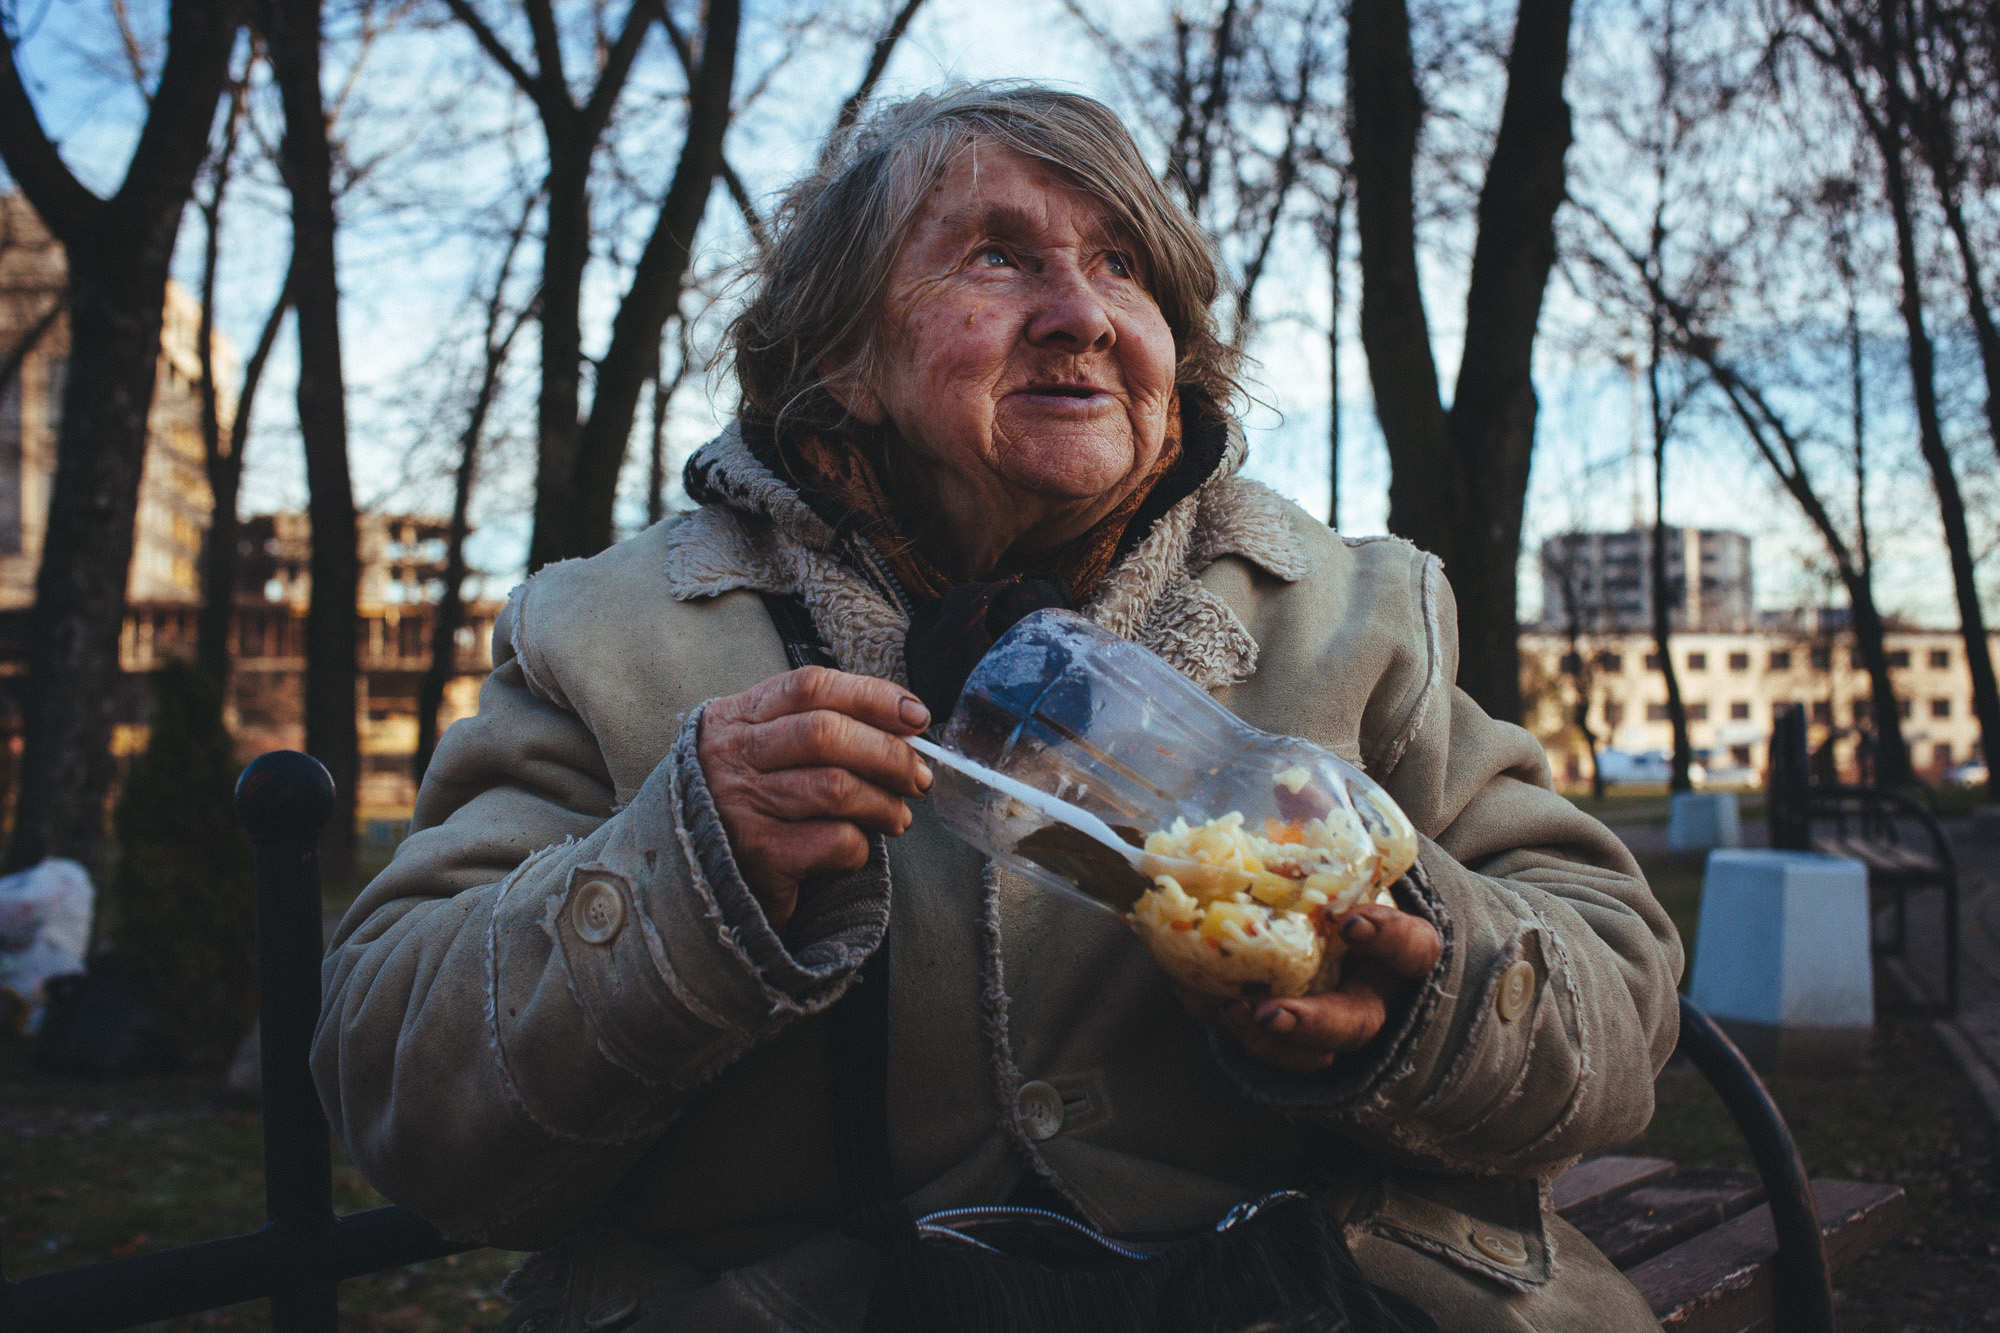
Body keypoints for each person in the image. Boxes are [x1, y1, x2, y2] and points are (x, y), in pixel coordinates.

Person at [313, 84, 1683, 1331]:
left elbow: (1620, 1001)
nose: (1082, 311)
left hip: (1304, 1292)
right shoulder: (609, 632)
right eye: (996, 254)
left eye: (1122, 266)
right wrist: (682, 874)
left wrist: (1418, 983)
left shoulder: (1357, 609)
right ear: (841, 351)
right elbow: (400, 1093)